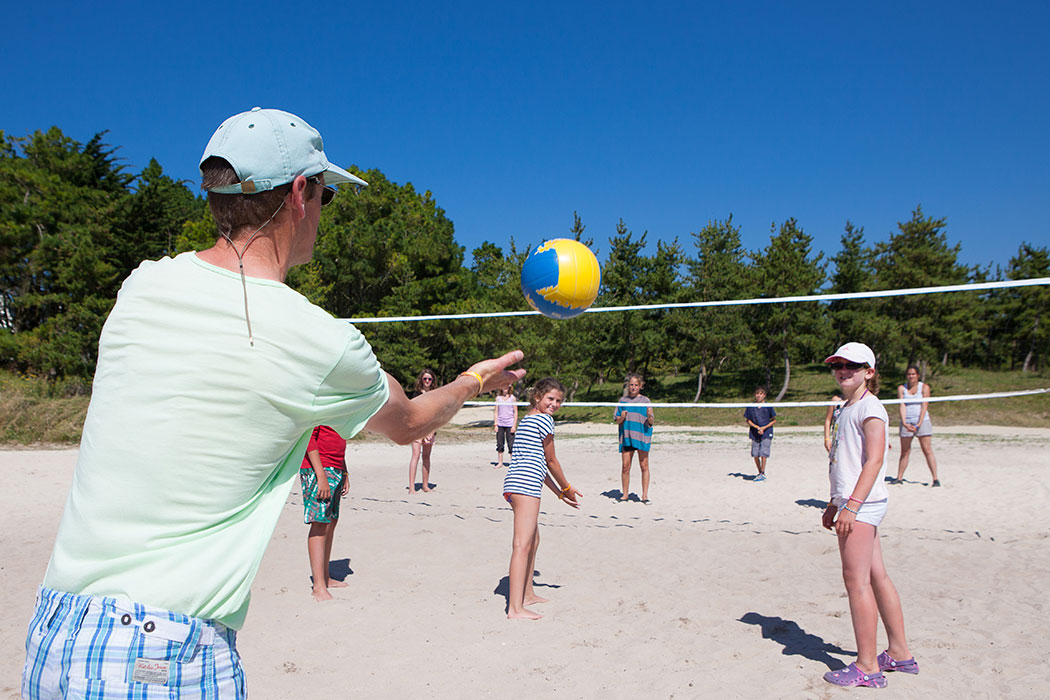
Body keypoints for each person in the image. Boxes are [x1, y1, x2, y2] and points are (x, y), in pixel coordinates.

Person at [22, 107, 526, 700]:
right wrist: (473, 379)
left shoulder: (141, 284)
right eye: (325, 195)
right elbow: (411, 421)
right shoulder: (316, 340)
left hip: (54, 631)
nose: (323, 210)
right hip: (159, 649)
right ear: (297, 194)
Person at [822, 342, 917, 689]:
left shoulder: (870, 407)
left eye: (852, 365)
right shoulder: (846, 407)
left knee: (856, 582)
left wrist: (851, 506)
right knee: (877, 576)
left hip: (862, 506)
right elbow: (845, 461)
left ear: (869, 372)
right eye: (838, 365)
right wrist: (834, 502)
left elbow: (875, 460)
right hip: (854, 502)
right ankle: (900, 653)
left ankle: (867, 666)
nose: (843, 371)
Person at [502, 378, 582, 620]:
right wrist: (567, 486)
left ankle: (527, 594)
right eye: (550, 398)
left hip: (516, 484)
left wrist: (559, 493)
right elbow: (551, 460)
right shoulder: (544, 420)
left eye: (558, 400)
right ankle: (515, 608)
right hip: (525, 486)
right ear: (537, 397)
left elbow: (538, 464)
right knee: (522, 545)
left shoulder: (528, 419)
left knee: (533, 540)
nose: (554, 404)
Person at [301, 425, 350, 602]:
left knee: (331, 521)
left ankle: (325, 577)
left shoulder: (340, 412)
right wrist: (320, 476)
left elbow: (339, 439)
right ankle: (318, 586)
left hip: (336, 468)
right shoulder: (320, 409)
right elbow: (308, 437)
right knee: (320, 523)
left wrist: (345, 472)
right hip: (318, 469)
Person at [892, 365, 940, 486]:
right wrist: (904, 423)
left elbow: (924, 406)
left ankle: (935, 478)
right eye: (909, 374)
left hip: (922, 422)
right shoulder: (902, 388)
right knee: (905, 451)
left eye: (913, 374)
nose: (911, 376)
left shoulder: (924, 387)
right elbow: (902, 405)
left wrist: (919, 423)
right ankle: (899, 477)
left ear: (918, 375)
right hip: (907, 422)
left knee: (927, 450)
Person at [613, 373, 655, 502]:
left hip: (641, 436)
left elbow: (651, 422)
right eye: (631, 385)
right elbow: (617, 420)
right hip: (627, 437)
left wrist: (649, 415)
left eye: (636, 385)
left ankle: (644, 496)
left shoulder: (645, 401)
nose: (633, 387)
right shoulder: (622, 401)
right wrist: (622, 417)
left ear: (640, 386)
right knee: (625, 466)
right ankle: (625, 495)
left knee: (644, 466)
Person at [408, 369, 438, 493]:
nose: (427, 381)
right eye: (425, 378)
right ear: (421, 379)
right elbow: (412, 413)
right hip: (417, 429)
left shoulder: (435, 395)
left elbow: (437, 415)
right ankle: (411, 486)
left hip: (430, 428)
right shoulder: (416, 394)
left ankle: (425, 485)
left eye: (429, 379)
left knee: (426, 457)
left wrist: (431, 431)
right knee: (415, 455)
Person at [743, 385, 776, 481]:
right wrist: (757, 427)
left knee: (763, 453)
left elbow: (774, 420)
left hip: (766, 432)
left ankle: (762, 472)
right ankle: (759, 472)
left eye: (761, 394)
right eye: (757, 394)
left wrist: (764, 428)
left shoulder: (768, 406)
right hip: (755, 432)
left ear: (764, 395)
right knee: (755, 453)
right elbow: (748, 420)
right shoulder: (751, 406)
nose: (758, 396)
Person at [493, 385, 518, 468]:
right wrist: (495, 424)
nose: (505, 389)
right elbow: (496, 412)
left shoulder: (512, 398)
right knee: (500, 444)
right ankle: (500, 462)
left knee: (511, 444)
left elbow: (515, 412)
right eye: (504, 387)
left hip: (510, 423)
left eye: (507, 387)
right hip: (500, 423)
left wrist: (514, 425)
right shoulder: (498, 398)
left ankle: (513, 463)